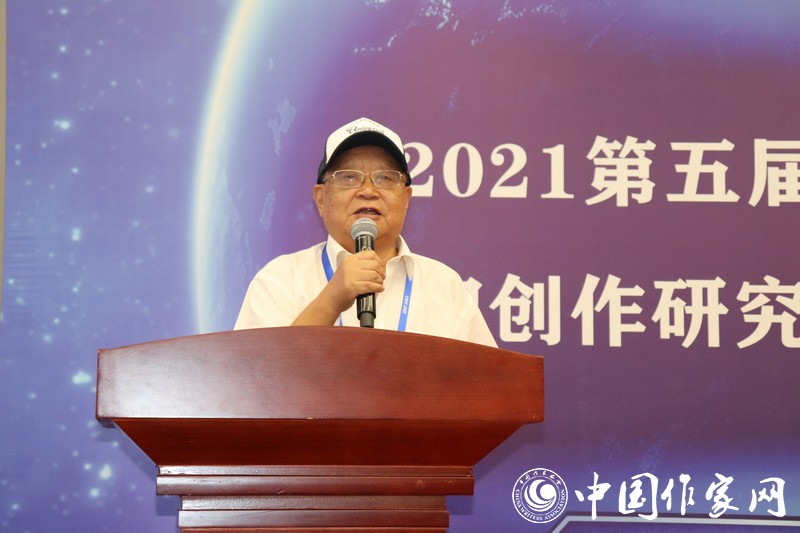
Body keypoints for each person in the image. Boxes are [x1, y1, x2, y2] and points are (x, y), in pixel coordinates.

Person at [234, 117, 496, 347]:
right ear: (321, 198)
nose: (368, 190)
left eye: (385, 178)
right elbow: (253, 378)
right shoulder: (280, 280)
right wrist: (331, 300)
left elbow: (492, 381)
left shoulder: (444, 285)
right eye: (349, 177)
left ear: (406, 199)